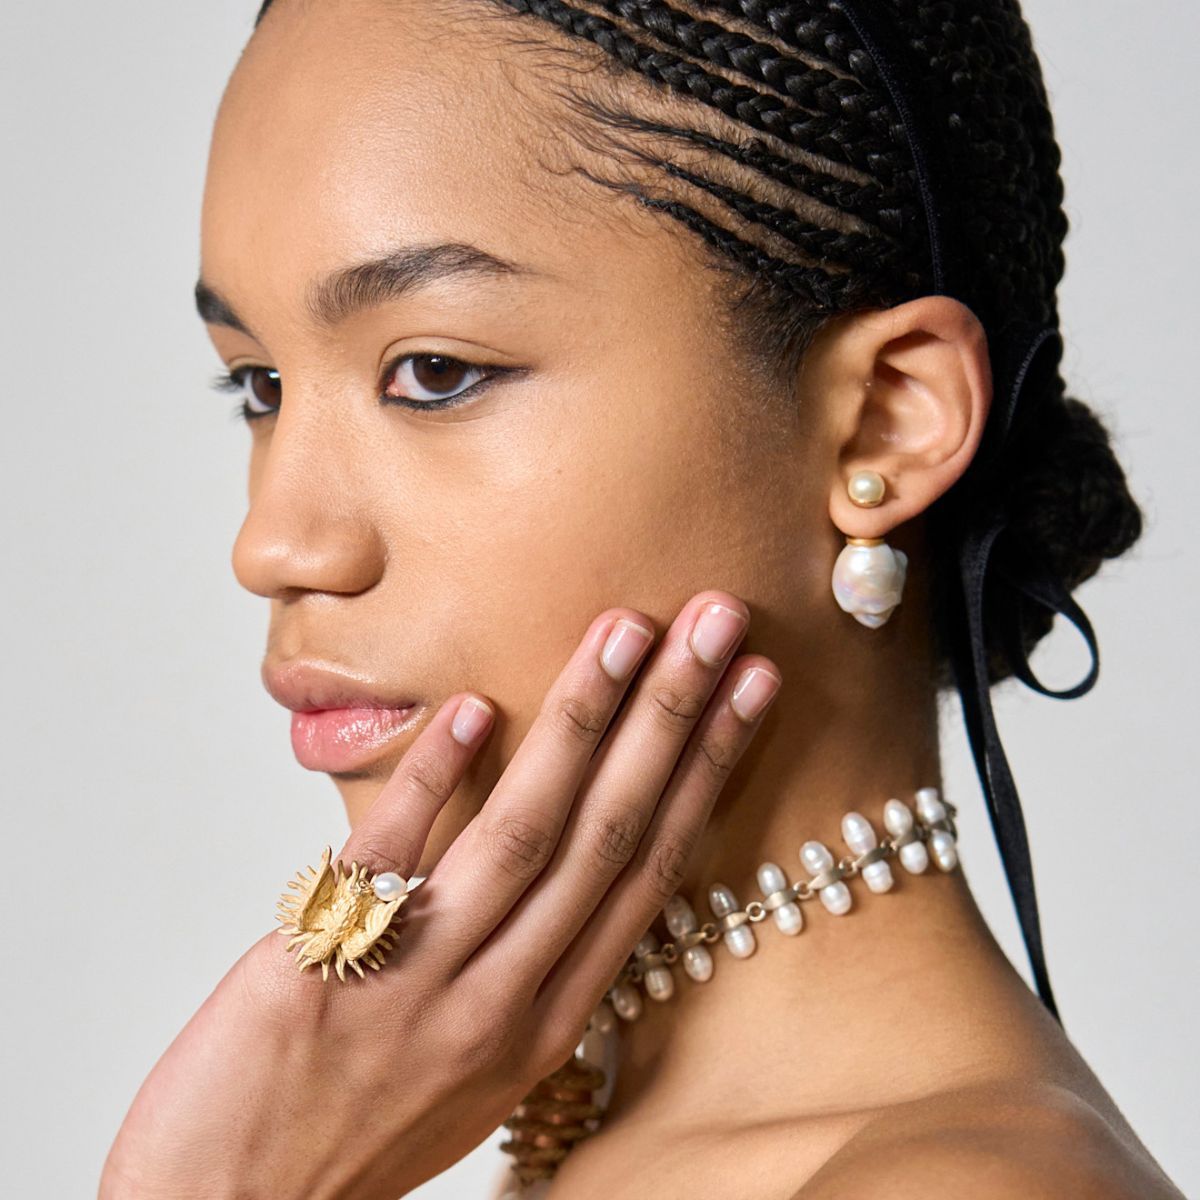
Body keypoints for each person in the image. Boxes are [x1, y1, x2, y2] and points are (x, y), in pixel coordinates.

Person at [100, 1, 1185, 1197]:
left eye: (434, 372)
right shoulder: (568, 1134)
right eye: (258, 385)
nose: (276, 544)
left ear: (885, 418)